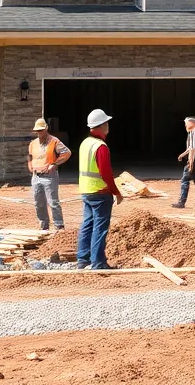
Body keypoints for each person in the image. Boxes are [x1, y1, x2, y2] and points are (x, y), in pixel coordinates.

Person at [76, 109, 123, 270]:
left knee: (87, 225)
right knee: (100, 228)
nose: (108, 126)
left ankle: (83, 260)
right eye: (107, 123)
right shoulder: (101, 146)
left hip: (87, 192)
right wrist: (116, 192)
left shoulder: (85, 143)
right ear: (102, 125)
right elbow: (106, 173)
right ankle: (98, 263)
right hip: (100, 193)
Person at [27, 118, 71, 231]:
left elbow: (66, 153)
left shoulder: (54, 141)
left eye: (41, 130)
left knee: (53, 202)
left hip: (49, 176)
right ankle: (43, 225)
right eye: (37, 131)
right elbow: (30, 155)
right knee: (38, 203)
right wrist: (30, 165)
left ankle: (59, 226)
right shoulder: (33, 144)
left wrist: (55, 164)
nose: (39, 133)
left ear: (46, 129)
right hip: (36, 176)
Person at [171, 116, 195, 209]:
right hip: (194, 161)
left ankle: (181, 202)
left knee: (185, 180)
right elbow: (190, 148)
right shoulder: (193, 132)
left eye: (186, 123)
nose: (185, 125)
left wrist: (190, 162)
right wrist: (182, 154)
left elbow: (193, 149)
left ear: (192, 123)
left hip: (193, 161)